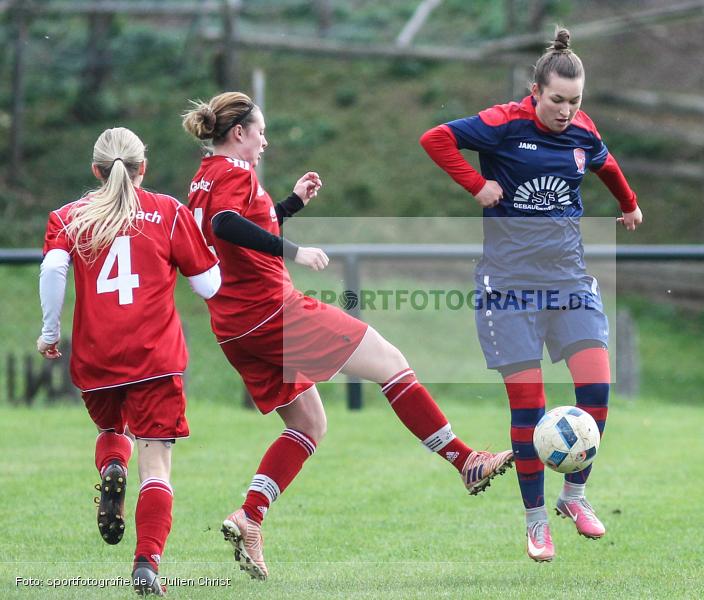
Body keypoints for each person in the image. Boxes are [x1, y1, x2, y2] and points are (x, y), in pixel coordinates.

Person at [181, 92, 514, 581]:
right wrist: (294, 251)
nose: (265, 141)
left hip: (235, 327)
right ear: (239, 134)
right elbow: (226, 226)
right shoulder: (234, 174)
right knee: (391, 363)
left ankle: (249, 516)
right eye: (261, 132)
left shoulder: (204, 177)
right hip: (272, 312)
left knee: (310, 425)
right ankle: (465, 461)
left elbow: (242, 224)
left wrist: (291, 204)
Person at [420, 28, 643, 562]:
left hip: (568, 280)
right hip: (509, 287)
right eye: (557, 100)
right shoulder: (503, 123)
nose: (566, 111)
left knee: (597, 387)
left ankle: (575, 496)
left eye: (575, 101)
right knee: (531, 407)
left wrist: (629, 205)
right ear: (535, 91)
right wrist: (476, 186)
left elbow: (606, 163)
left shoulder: (582, 131)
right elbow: (436, 139)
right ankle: (536, 520)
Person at [37, 127, 221, 594]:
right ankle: (146, 565)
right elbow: (209, 286)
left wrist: (50, 330)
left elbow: (53, 268)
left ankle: (109, 468)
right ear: (145, 168)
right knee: (156, 465)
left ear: (96, 171)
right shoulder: (169, 213)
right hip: (155, 358)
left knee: (110, 431)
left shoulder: (67, 216)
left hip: (97, 358)